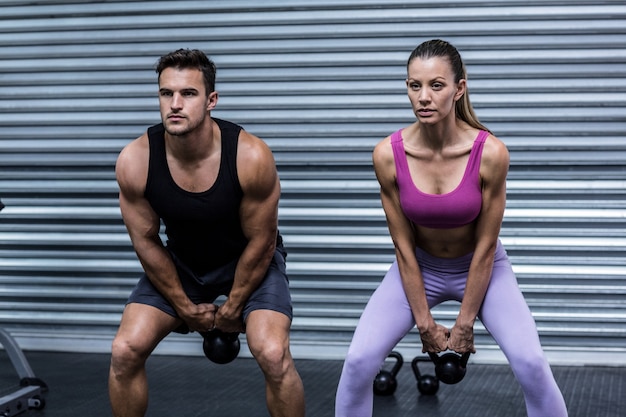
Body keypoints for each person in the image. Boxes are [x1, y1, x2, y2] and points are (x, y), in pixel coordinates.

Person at [335, 39, 568, 417]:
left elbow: (487, 248)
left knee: (531, 364)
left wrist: (464, 324)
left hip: (482, 268)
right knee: (358, 362)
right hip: (419, 268)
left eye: (436, 85)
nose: (423, 97)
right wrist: (424, 322)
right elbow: (403, 248)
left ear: (459, 89)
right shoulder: (387, 156)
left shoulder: (490, 154)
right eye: (415, 86)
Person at [108, 48, 305, 417]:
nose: (175, 104)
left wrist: (232, 308)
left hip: (249, 263)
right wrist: (184, 306)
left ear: (211, 100)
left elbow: (262, 241)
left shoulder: (250, 156)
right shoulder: (136, 160)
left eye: (188, 93)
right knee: (124, 350)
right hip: (183, 264)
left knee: (273, 354)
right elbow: (146, 240)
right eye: (166, 94)